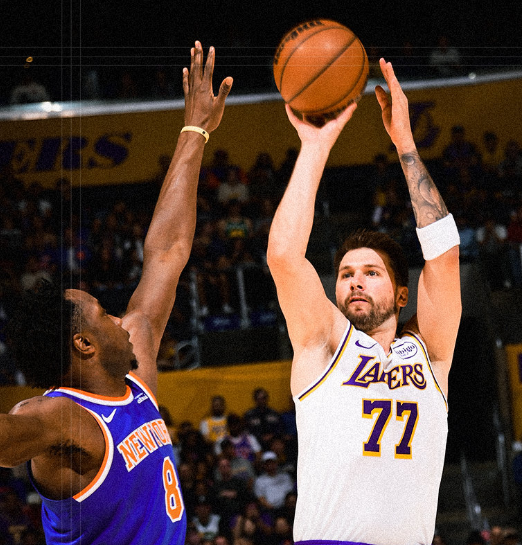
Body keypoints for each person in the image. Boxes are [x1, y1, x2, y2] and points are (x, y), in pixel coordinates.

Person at [0, 42, 232, 544]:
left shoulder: (137, 379)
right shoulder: (62, 417)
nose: (120, 320)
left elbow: (167, 252)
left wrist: (195, 131)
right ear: (83, 344)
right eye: (103, 314)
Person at [266, 58, 461, 544]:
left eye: (371, 273)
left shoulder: (431, 353)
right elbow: (284, 256)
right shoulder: (324, 343)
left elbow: (444, 257)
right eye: (346, 274)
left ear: (401, 294)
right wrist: (316, 147)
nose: (355, 282)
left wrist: (406, 145)